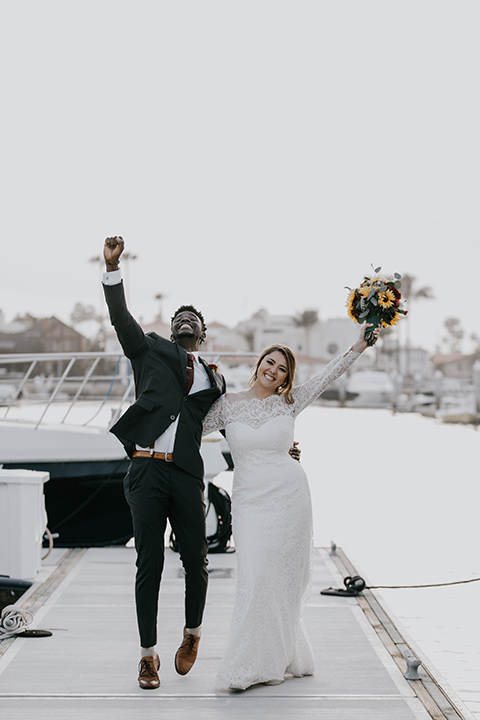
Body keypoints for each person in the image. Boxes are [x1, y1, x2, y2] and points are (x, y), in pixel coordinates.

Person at [202, 325, 378, 691]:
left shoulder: (291, 401)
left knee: (281, 581)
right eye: (270, 363)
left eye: (283, 369)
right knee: (256, 576)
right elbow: (188, 428)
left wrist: (359, 345)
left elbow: (330, 374)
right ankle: (251, 661)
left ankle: (267, 661)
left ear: (287, 377)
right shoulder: (225, 405)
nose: (275, 371)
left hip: (290, 497)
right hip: (250, 502)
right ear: (259, 364)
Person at [102, 236, 226, 690]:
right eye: (179, 317)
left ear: (203, 334)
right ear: (172, 329)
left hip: (188, 475)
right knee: (148, 562)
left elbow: (233, 423)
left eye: (193, 319)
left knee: (197, 559)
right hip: (147, 471)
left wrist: (278, 449)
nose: (185, 320)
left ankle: (192, 634)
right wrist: (112, 270)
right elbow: (120, 319)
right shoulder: (149, 349)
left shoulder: (216, 379)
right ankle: (147, 656)